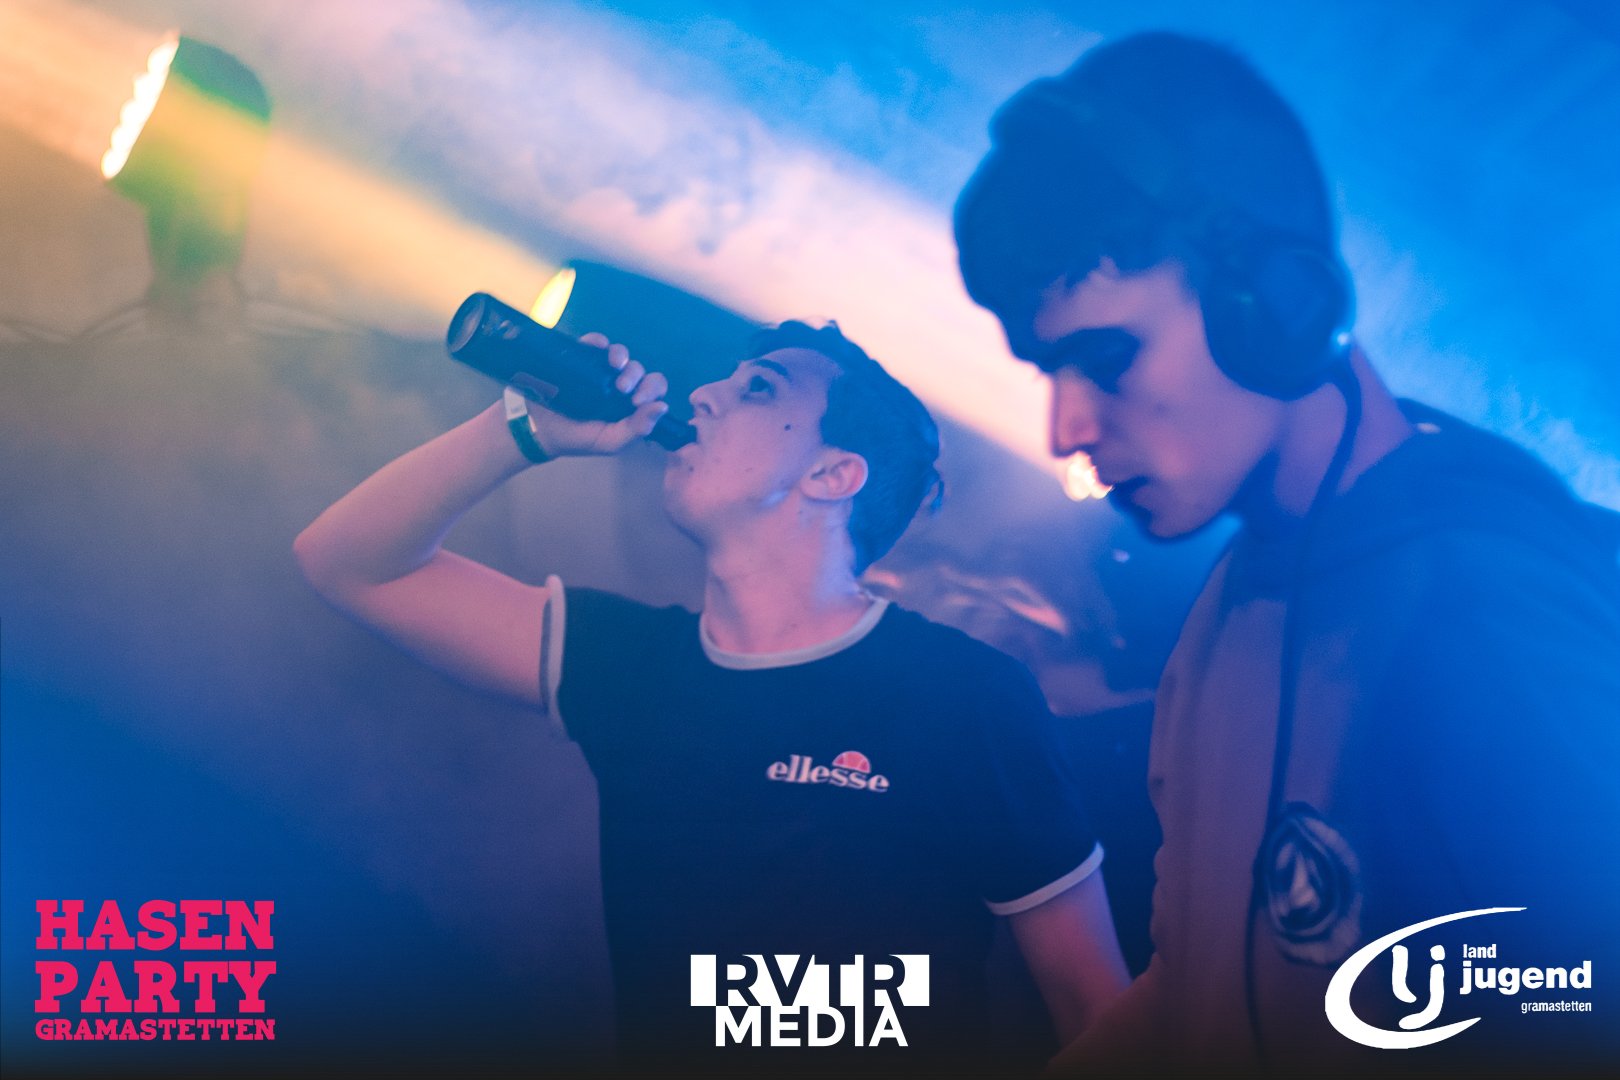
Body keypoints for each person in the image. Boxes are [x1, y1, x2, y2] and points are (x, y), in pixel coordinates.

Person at [953, 30, 1620, 1074]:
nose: (1065, 428)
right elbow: (1199, 985)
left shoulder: (1486, 612)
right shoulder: (1231, 604)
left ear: (1271, 307)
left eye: (1106, 357)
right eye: (1050, 371)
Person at [294, 320, 1130, 1071]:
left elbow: (1095, 1008)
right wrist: (520, 430)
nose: (703, 396)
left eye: (758, 389)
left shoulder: (963, 695)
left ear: (834, 473)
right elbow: (348, 563)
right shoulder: (627, 664)